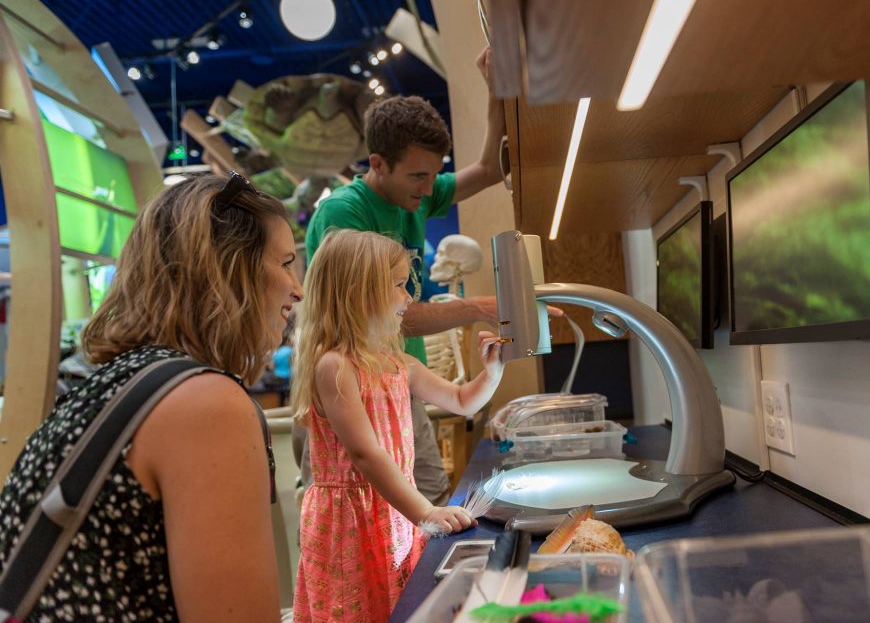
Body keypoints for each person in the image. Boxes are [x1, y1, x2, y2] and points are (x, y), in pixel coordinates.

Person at [0, 174, 302, 622]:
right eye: (286, 262)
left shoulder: (123, 382)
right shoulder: (206, 403)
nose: (296, 288)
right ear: (228, 270)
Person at [304, 48, 507, 505]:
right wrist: (477, 308)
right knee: (357, 501)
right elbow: (382, 314)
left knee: (429, 493)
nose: (428, 187)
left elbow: (492, 168)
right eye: (418, 175)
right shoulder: (344, 213)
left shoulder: (417, 193)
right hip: (354, 387)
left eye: (434, 175)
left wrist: (496, 90)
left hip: (397, 376)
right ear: (377, 163)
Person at [290, 229, 504, 623]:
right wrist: (424, 511)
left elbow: (461, 400)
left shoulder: (398, 365)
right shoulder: (334, 366)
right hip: (348, 520)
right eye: (398, 285)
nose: (408, 297)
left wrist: (491, 372)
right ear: (359, 291)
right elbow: (364, 454)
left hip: (391, 507)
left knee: (393, 605)